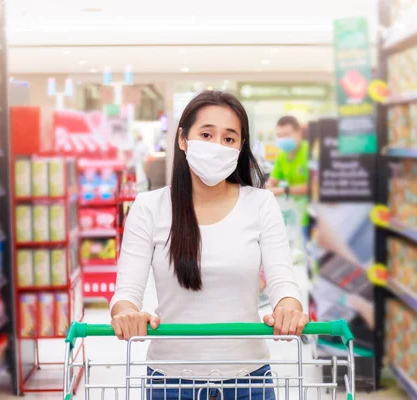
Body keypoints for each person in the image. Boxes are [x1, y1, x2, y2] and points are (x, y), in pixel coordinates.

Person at [110, 90, 307, 400]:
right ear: (182, 139)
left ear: (240, 148)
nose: (217, 146)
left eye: (229, 139)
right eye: (206, 134)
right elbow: (126, 295)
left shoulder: (261, 204)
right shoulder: (149, 207)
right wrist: (127, 315)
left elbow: (284, 284)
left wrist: (288, 308)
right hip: (170, 380)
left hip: (248, 380)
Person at [266, 116, 310, 242]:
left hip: (313, 214)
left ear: (299, 133)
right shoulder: (282, 156)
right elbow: (272, 183)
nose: (283, 139)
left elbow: (314, 187)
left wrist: (283, 191)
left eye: (287, 135)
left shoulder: (310, 152)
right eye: (279, 135)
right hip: (295, 213)